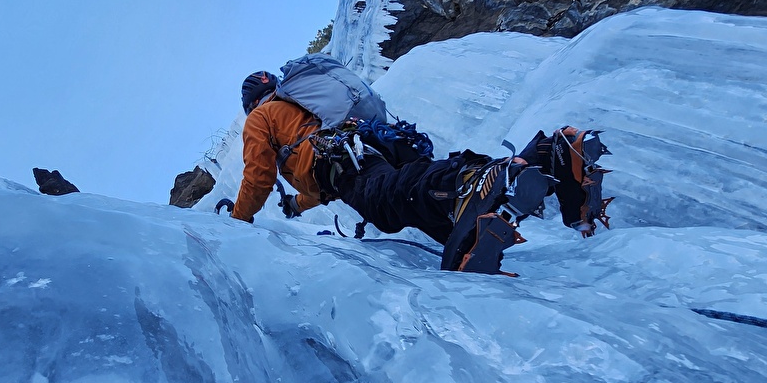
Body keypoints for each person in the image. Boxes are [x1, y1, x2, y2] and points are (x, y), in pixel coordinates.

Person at [229, 71, 611, 275]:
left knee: (385, 200)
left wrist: (235, 223)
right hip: (367, 151)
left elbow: (258, 174)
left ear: (252, 104)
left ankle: (475, 179)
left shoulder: (262, 117)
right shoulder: (300, 111)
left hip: (343, 161)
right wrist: (297, 205)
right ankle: (547, 158)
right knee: (434, 214)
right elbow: (319, 183)